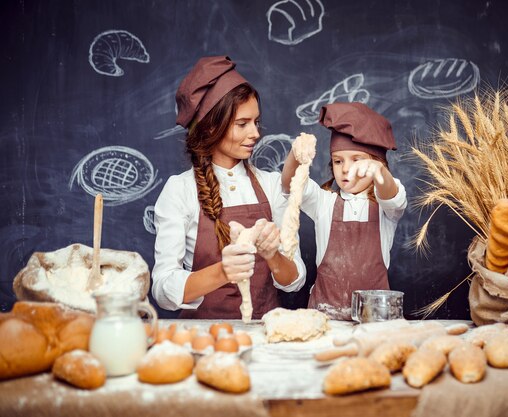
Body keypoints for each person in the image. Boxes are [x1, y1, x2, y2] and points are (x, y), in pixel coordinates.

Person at [152, 56, 306, 319]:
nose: (256, 133)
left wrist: (273, 257)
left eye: (256, 122)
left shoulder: (271, 185)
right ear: (212, 126)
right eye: (242, 124)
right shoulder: (180, 190)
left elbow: (295, 280)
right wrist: (222, 272)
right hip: (204, 336)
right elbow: (163, 291)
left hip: (264, 334)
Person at [281, 102, 407, 320]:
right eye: (338, 161)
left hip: (374, 319)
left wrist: (381, 173)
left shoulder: (385, 209)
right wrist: (295, 154)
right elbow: (290, 184)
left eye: (357, 160)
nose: (346, 169)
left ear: (378, 163)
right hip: (324, 316)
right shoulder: (325, 203)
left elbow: (393, 196)